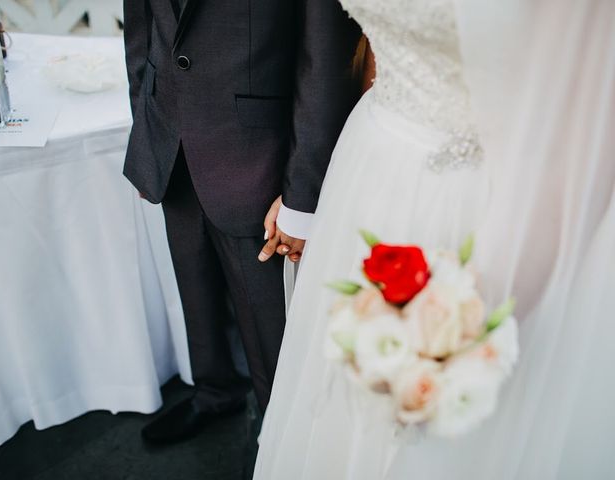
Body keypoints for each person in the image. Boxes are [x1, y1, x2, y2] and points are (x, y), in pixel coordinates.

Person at [254, 0, 615, 478]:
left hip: (482, 199)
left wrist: (460, 315)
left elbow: (583, 137)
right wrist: (311, 186)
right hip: (367, 168)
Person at [122, 0, 361, 444]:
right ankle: (216, 393)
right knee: (196, 294)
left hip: (260, 163)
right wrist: (147, 136)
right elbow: (141, 28)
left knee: (270, 331)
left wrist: (302, 196)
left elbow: (325, 59)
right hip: (171, 145)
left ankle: (280, 439)